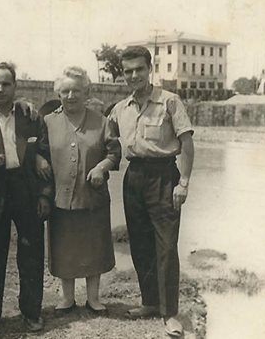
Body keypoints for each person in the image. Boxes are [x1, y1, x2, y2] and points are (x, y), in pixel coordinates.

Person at [108, 46, 194, 338]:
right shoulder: (120, 109)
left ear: (149, 69)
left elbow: (187, 143)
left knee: (167, 247)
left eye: (139, 69)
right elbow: (104, 138)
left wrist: (183, 182)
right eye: (128, 71)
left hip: (164, 175)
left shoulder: (170, 102)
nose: (134, 75)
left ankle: (170, 314)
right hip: (134, 177)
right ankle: (149, 302)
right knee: (141, 243)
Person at [0, 62, 51, 332]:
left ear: (16, 86)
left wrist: (44, 195)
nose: (0, 89)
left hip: (25, 188)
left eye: (6, 84)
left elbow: (46, 153)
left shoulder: (30, 115)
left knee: (31, 253)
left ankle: (31, 312)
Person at [39, 66, 121, 315]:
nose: (71, 95)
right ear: (58, 94)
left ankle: (93, 298)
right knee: (64, 246)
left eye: (76, 90)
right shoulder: (49, 121)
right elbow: (39, 150)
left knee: (93, 246)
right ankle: (67, 298)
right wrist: (38, 160)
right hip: (60, 197)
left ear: (86, 92)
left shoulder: (102, 121)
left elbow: (115, 153)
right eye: (65, 91)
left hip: (93, 196)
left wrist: (102, 167)